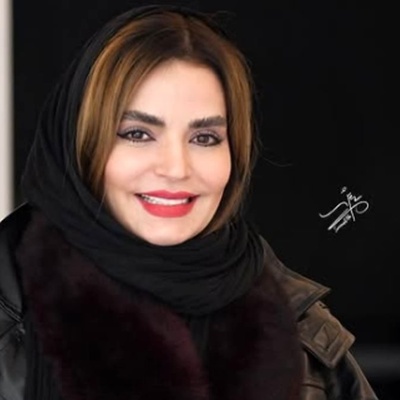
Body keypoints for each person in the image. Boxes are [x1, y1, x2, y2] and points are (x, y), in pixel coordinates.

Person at [0, 4, 378, 400]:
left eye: (204, 138)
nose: (176, 168)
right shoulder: (11, 308)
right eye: (137, 133)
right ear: (81, 143)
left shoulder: (302, 339)